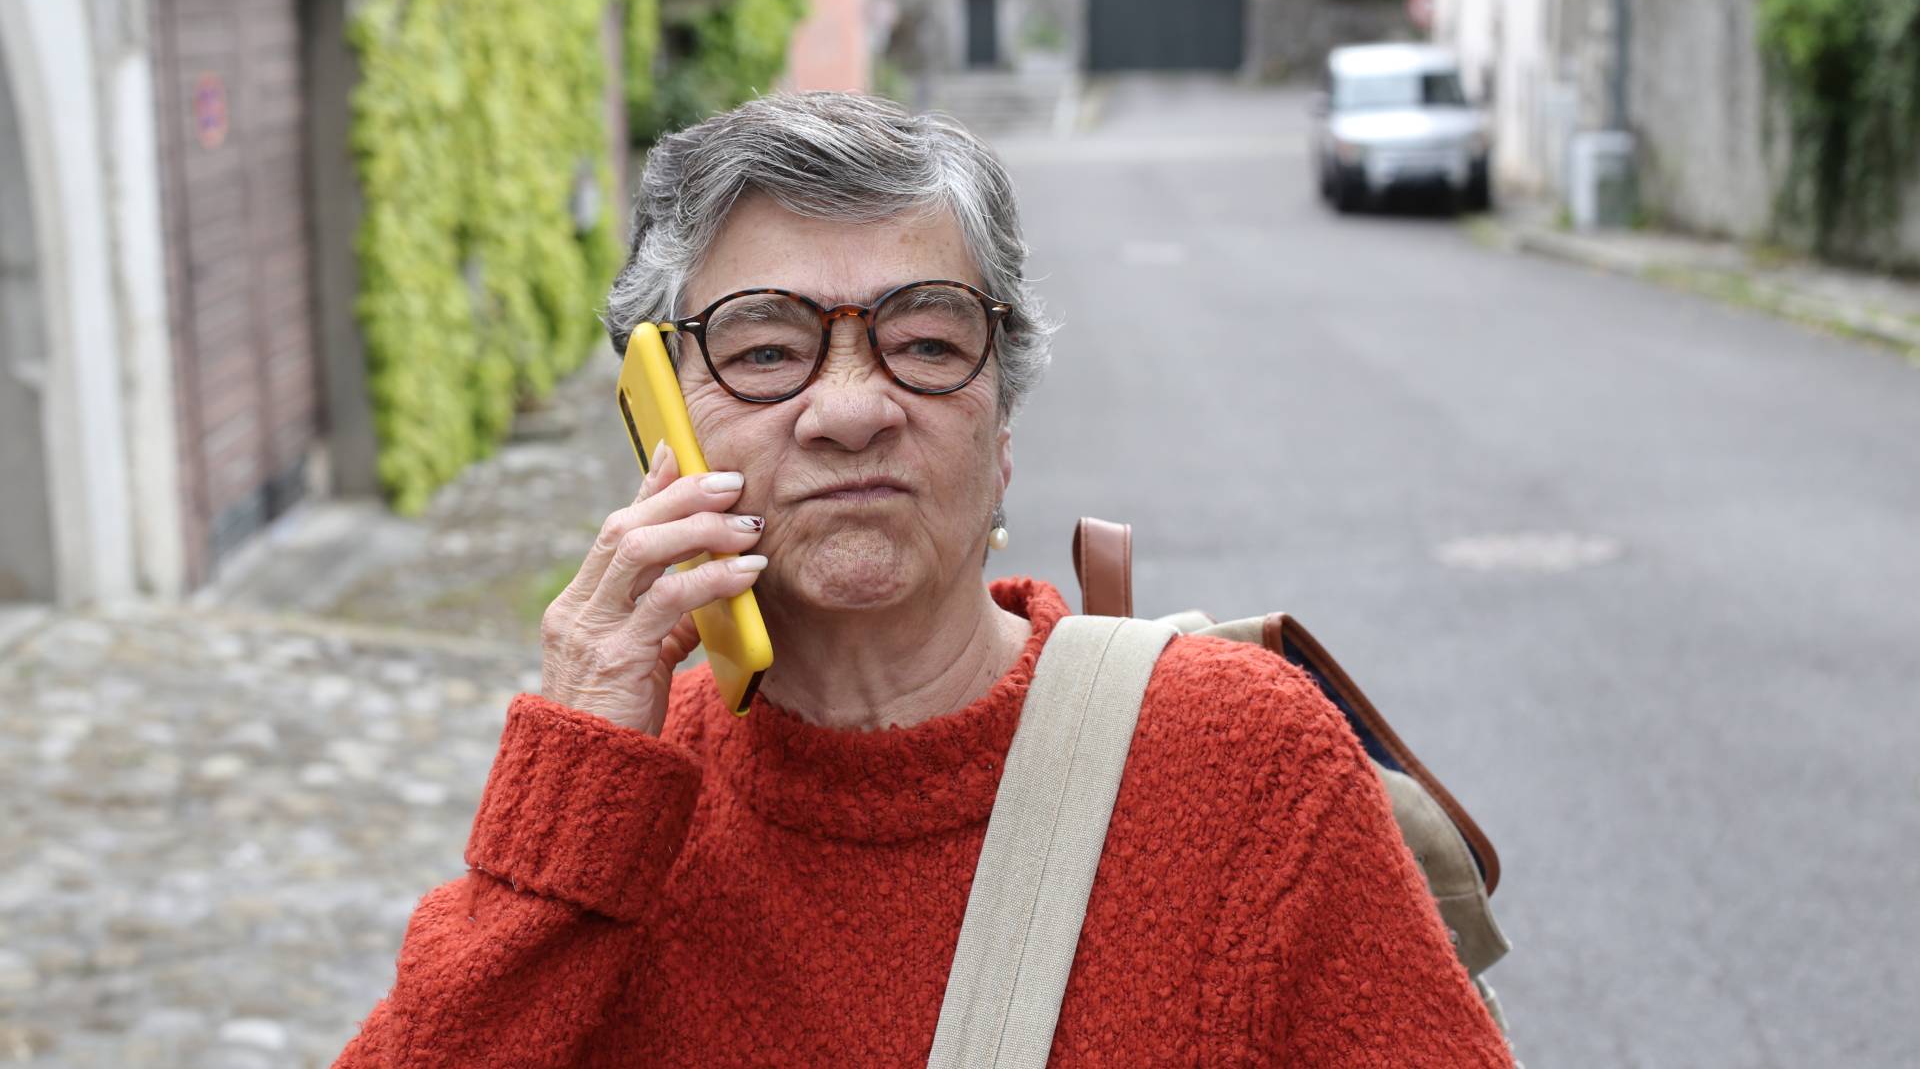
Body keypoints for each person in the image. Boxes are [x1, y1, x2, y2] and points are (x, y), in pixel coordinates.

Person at [336, 91, 1510, 1067]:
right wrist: (572, 808)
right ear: (661, 427)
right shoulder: (617, 813)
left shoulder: (1249, 763)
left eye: (927, 343)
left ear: (1001, 436)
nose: (852, 410)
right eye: (765, 350)